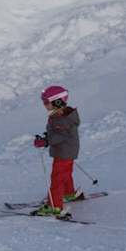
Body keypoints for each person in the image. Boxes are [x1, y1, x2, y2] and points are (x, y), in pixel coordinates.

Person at [31, 85, 82, 217]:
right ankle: (69, 193)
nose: (44, 105)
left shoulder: (62, 118)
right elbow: (58, 133)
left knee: (57, 179)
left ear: (57, 101)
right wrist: (47, 137)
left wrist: (46, 141)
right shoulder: (60, 114)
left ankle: (55, 206)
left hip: (64, 152)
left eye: (46, 102)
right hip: (67, 151)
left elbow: (61, 135)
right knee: (65, 174)